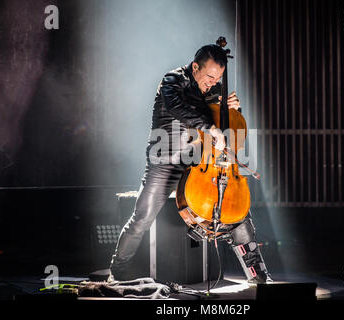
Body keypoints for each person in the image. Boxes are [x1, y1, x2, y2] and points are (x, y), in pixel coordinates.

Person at [108, 44, 272, 284]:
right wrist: (212, 128)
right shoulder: (172, 80)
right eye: (209, 76)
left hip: (198, 162)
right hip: (164, 160)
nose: (213, 82)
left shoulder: (212, 90)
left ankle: (258, 275)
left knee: (236, 210)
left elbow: (224, 125)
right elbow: (179, 108)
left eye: (218, 78)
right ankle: (117, 271)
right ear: (195, 67)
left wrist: (231, 109)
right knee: (142, 217)